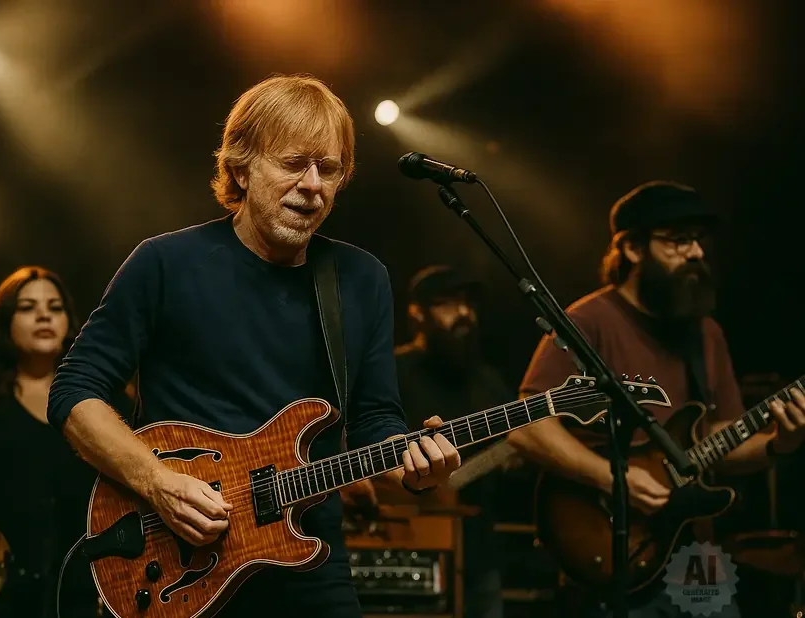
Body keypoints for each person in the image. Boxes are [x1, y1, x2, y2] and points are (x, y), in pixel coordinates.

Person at [47, 73, 461, 618]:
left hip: (310, 565)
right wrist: (157, 482)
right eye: (294, 164)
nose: (313, 185)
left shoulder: (360, 279)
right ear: (241, 166)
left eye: (329, 169)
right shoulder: (165, 263)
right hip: (183, 559)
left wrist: (413, 466)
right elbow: (74, 391)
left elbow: (374, 419)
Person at [506, 181, 805, 617]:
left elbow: (721, 436)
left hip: (697, 550)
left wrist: (781, 444)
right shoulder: (588, 321)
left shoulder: (705, 332)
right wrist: (613, 478)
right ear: (631, 249)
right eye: (678, 241)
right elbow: (527, 425)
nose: (697, 253)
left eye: (699, 240)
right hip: (610, 541)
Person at [0, 267, 119, 618]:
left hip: (77, 589)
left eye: (54, 306)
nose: (44, 315)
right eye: (28, 307)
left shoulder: (98, 398)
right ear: (5, 320)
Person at [394, 265, 511, 618]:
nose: (463, 314)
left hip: (477, 552)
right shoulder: (392, 371)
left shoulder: (489, 382)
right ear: (418, 313)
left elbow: (516, 451)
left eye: (467, 305)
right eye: (448, 304)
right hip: (403, 540)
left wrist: (514, 456)